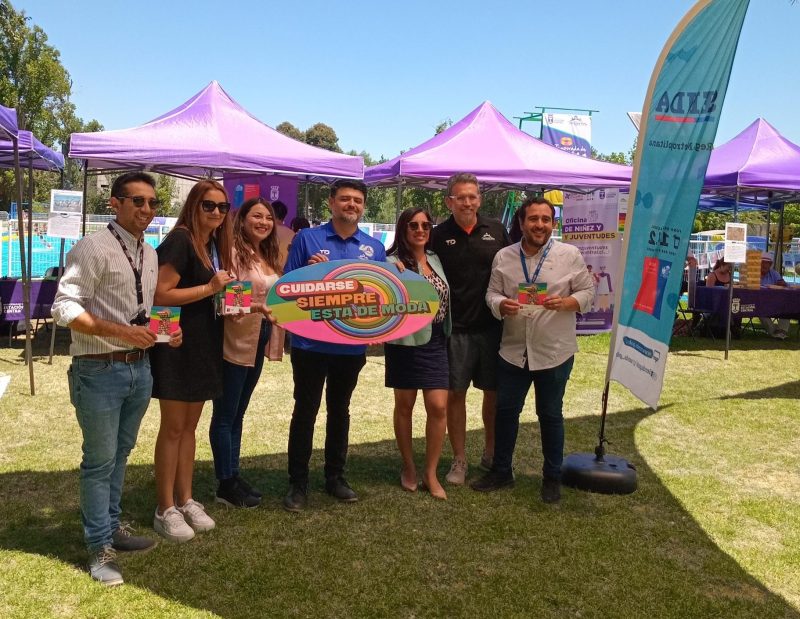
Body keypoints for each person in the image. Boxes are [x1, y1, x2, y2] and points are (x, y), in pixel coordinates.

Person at [51, 172, 182, 586]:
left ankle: (111, 528)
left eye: (153, 203)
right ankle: (98, 547)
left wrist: (165, 333)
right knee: (99, 462)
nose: (146, 210)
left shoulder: (149, 251)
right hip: (98, 371)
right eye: (137, 201)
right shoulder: (94, 247)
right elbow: (63, 309)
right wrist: (121, 332)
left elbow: (144, 310)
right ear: (116, 203)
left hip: (139, 368)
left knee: (121, 454)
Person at [471, 197, 594, 503]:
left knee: (550, 415)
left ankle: (552, 477)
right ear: (522, 222)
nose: (540, 225)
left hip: (554, 351)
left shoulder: (569, 254)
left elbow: (588, 292)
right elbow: (491, 293)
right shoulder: (504, 256)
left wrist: (566, 303)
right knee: (506, 413)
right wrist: (502, 304)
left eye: (546, 220)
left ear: (554, 223)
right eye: (533, 219)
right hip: (513, 350)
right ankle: (501, 471)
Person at [282, 179, 386, 512]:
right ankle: (298, 484)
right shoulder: (306, 238)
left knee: (340, 411)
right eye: (344, 199)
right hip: (309, 344)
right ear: (331, 202)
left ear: (363, 206)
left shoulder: (374, 248)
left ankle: (335, 478)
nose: (350, 205)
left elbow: (379, 298)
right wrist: (305, 274)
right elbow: (286, 288)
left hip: (350, 347)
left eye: (357, 200)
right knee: (306, 410)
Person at [150, 180, 234, 542]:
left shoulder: (211, 245)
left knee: (189, 429)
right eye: (208, 205)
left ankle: (185, 499)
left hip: (204, 346)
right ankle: (163, 507)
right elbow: (160, 294)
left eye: (222, 207)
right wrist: (210, 289)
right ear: (194, 206)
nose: (216, 212)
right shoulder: (181, 240)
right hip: (176, 346)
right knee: (173, 428)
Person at [430, 172, 510, 485]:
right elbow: (410, 255)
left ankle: (490, 453)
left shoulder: (497, 229)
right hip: (455, 329)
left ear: (480, 199)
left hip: (493, 328)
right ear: (449, 201)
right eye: (460, 197)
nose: (467, 202)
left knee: (493, 393)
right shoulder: (438, 234)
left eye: (472, 196)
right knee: (456, 395)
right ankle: (459, 460)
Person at [210, 197, 280, 508]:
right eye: (257, 216)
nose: (264, 222)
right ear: (242, 219)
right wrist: (257, 306)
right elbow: (226, 303)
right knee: (225, 415)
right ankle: (225, 482)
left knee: (239, 412)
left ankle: (233, 474)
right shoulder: (234, 254)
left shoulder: (264, 253)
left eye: (268, 217)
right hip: (235, 339)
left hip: (258, 336)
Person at [385, 208, 452, 500]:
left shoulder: (436, 258)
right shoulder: (391, 262)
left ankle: (431, 472)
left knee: (438, 406)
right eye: (413, 225)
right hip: (405, 342)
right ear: (403, 228)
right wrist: (391, 274)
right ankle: (409, 467)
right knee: (405, 405)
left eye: (426, 225)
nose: (420, 229)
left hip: (437, 340)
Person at [759, 252, 790, 339]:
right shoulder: (753, 274)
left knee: (787, 308)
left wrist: (782, 284)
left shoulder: (774, 274)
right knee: (759, 309)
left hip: (774, 302)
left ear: (770, 265)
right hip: (759, 302)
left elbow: (784, 285)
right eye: (762, 262)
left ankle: (782, 331)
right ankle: (774, 333)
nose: (764, 265)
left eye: (767, 263)